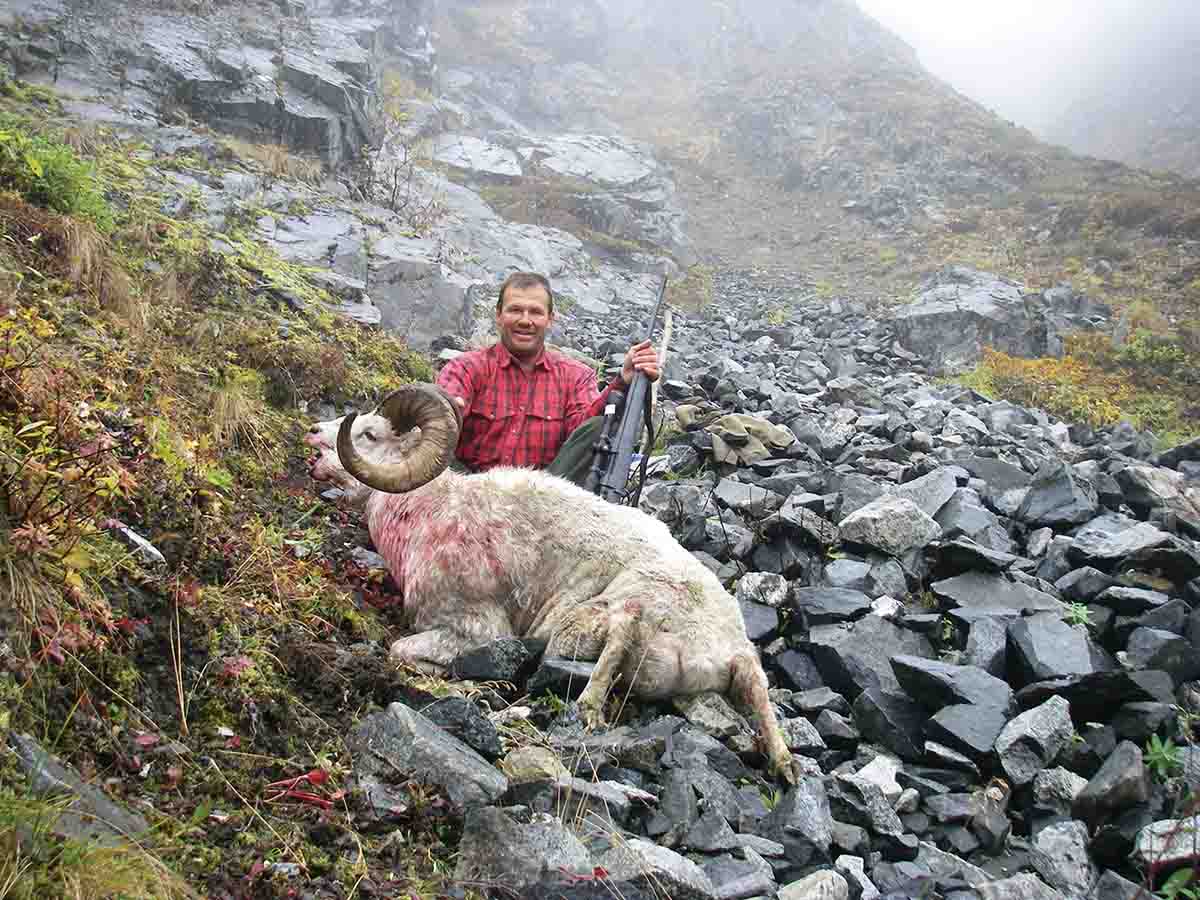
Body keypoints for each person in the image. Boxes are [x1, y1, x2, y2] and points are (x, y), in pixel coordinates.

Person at [435, 272, 660, 486]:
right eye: (515, 310)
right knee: (431, 429)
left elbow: (584, 432)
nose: (525, 320)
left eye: (535, 312)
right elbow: (441, 411)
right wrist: (444, 412)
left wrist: (624, 379)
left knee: (598, 426)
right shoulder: (465, 368)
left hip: (543, 501)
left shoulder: (576, 376)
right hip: (468, 498)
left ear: (550, 319)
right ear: (499, 315)